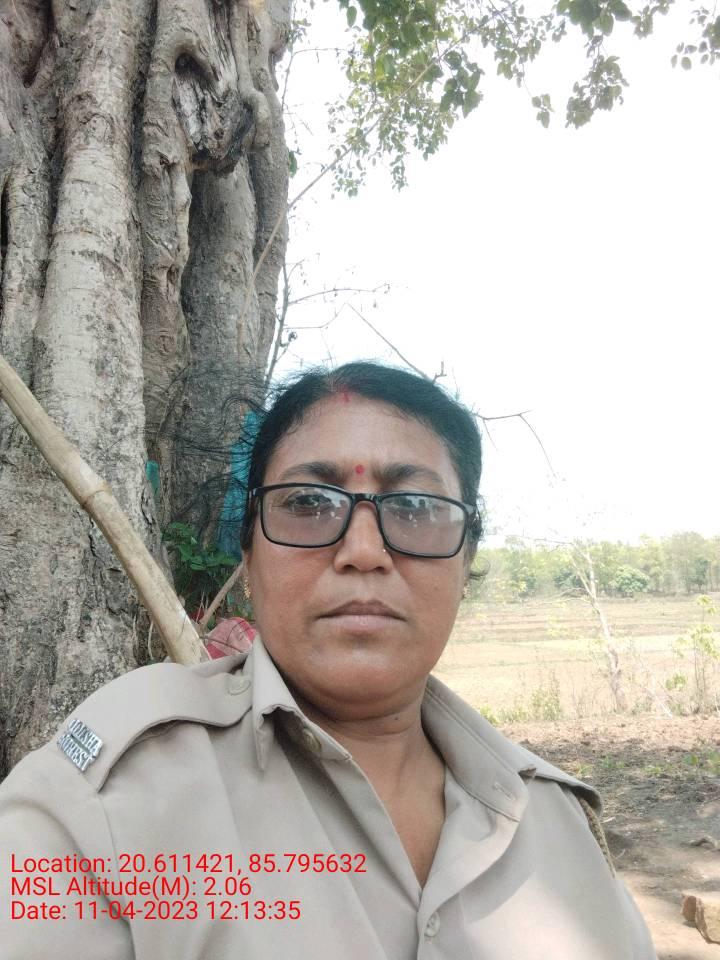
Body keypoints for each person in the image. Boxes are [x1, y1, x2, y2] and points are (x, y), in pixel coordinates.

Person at [0, 361, 657, 959]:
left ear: (467, 561)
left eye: (416, 507)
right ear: (249, 554)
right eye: (309, 504)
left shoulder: (556, 818)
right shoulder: (110, 803)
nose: (364, 552)